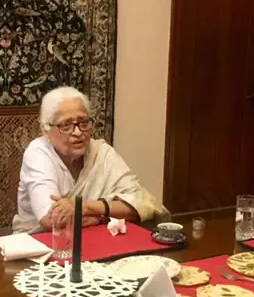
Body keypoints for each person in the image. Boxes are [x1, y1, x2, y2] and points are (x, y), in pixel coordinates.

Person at [13, 86, 168, 233]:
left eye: (83, 122)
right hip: (38, 245)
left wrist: (84, 208)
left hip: (93, 239)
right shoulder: (38, 153)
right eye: (65, 125)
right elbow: (53, 220)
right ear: (45, 130)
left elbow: (142, 204)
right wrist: (105, 215)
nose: (78, 132)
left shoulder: (101, 152)